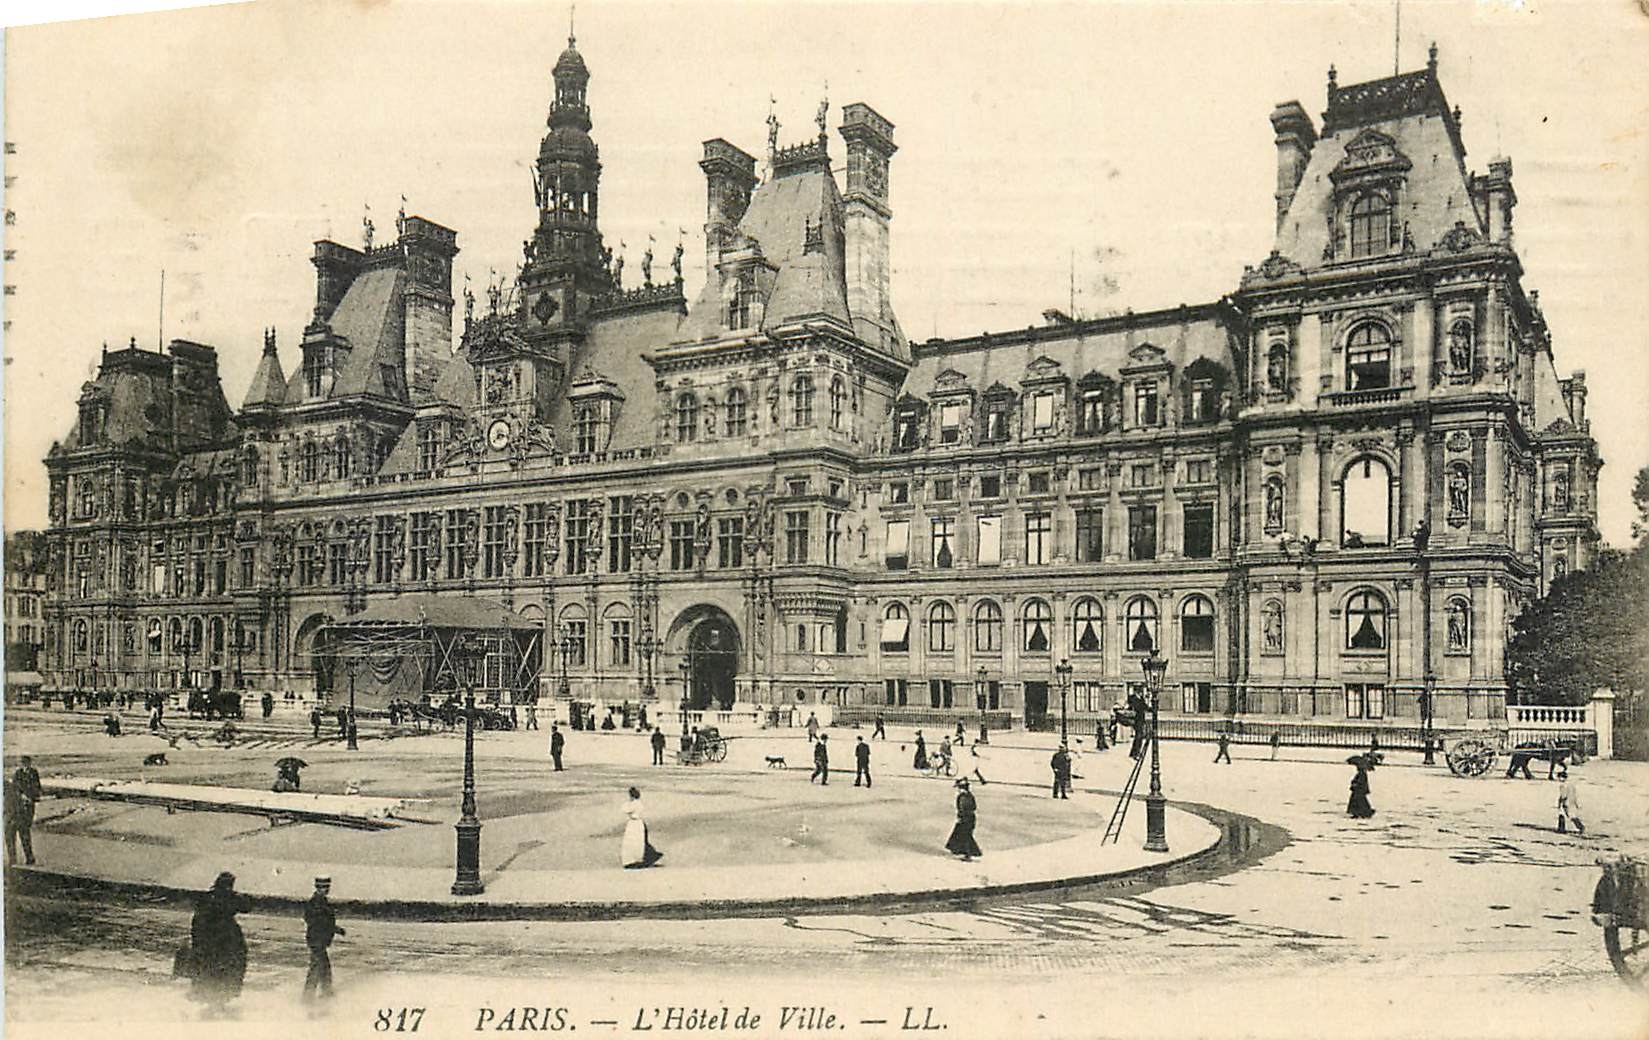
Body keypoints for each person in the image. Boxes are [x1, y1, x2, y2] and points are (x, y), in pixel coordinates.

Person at [189, 871, 250, 1017]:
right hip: (224, 941)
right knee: (227, 969)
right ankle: (219, 1001)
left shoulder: (209, 898)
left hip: (213, 941)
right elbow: (247, 906)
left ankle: (213, 1000)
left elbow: (197, 921)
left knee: (213, 970)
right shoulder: (228, 900)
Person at [302, 876, 345, 1001]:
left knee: (320, 969)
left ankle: (318, 995)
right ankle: (314, 997)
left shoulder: (321, 901)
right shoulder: (316, 902)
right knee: (320, 969)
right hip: (317, 940)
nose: (325, 890)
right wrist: (333, 928)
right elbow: (314, 920)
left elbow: (323, 921)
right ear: (317, 888)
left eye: (327, 887)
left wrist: (335, 929)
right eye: (322, 887)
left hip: (319, 940)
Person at [5, 755, 43, 866]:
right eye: (23, 763)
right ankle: (15, 859)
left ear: (29, 763)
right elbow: (15, 787)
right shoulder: (18, 773)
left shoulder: (33, 773)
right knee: (21, 833)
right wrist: (22, 795)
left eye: (26, 763)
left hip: (28, 804)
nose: (24, 765)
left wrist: (33, 796)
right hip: (19, 807)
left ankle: (29, 858)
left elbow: (37, 786)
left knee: (25, 831)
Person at [620, 787, 663, 868]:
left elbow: (625, 809)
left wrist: (629, 802)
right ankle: (638, 858)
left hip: (634, 823)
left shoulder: (635, 804)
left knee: (633, 841)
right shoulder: (638, 803)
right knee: (638, 841)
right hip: (637, 823)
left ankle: (634, 859)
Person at [945, 779, 982, 861]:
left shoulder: (961, 797)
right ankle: (962, 851)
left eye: (958, 788)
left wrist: (960, 817)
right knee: (964, 834)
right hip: (971, 818)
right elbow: (974, 807)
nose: (958, 790)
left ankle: (968, 854)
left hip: (965, 818)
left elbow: (961, 809)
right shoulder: (970, 795)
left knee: (965, 836)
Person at [1557, 767, 1585, 835]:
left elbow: (1563, 795)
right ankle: (1580, 827)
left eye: (1559, 778)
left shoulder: (1563, 785)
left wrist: (1560, 802)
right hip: (1571, 801)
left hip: (1566, 802)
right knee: (1572, 815)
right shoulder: (1571, 784)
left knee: (1562, 814)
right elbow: (1574, 794)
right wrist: (1576, 803)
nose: (1559, 779)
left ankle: (1562, 829)